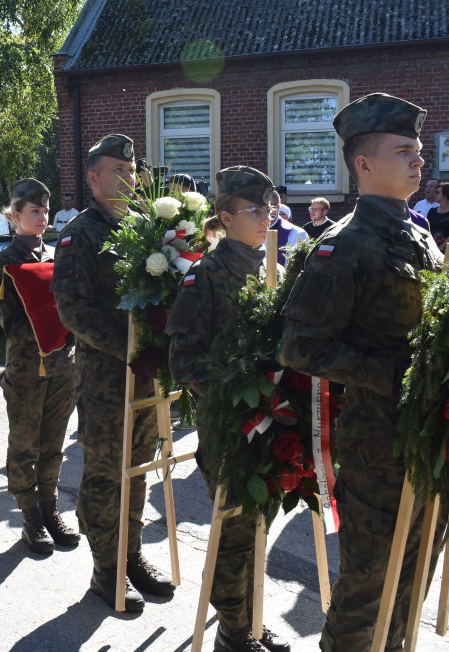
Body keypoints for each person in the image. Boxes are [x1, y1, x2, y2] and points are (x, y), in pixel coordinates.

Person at [281, 92, 444, 652]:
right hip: (377, 443)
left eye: (419, 152)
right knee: (369, 586)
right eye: (404, 151)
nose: (419, 161)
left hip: (428, 434)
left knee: (414, 572)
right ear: (364, 164)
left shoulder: (419, 235)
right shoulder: (344, 245)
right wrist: (392, 374)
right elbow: (301, 347)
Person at [166, 167, 291, 652]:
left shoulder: (273, 265)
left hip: (274, 419)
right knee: (235, 530)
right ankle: (233, 630)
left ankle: (250, 618)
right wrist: (237, 395)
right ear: (225, 216)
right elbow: (184, 357)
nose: (266, 219)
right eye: (256, 211)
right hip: (230, 424)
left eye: (271, 210)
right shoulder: (208, 274)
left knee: (259, 524)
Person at [51, 133, 174, 613]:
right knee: (106, 472)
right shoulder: (79, 234)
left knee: (138, 468)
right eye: (115, 171)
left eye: (130, 171)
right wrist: (129, 345)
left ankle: (131, 555)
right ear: (93, 178)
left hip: (146, 374)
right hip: (106, 375)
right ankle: (106, 569)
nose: (126, 177)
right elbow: (71, 310)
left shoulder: (146, 228)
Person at [0, 178, 78, 555]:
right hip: (27, 366)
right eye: (34, 211)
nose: (42, 217)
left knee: (54, 441)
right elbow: (4, 317)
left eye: (45, 210)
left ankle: (49, 507)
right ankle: (29, 515)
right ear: (15, 216)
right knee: (25, 443)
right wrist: (47, 326)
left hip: (62, 364)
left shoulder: (56, 254)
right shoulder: (5, 260)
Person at [266, 188, 308, 265]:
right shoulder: (247, 231)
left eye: (270, 207)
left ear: (278, 207)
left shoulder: (297, 234)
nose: (266, 211)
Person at [426, 181, 449, 251]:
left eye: (437, 192)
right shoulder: (432, 211)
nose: (434, 194)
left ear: (445, 194)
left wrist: (442, 247)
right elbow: (427, 231)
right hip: (433, 249)